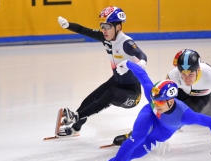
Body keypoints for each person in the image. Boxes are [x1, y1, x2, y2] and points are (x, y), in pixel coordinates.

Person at [71, 60, 211, 161]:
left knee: (134, 154)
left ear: (170, 101)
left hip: (163, 132)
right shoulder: (154, 103)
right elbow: (142, 75)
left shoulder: (185, 115)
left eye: (160, 102)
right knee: (136, 138)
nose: (156, 104)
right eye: (154, 100)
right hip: (148, 116)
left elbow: (210, 122)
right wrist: (126, 63)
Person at [113, 49, 211, 146]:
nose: (187, 78)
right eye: (183, 74)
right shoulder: (173, 75)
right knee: (163, 108)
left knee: (180, 117)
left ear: (198, 70)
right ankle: (134, 134)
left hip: (200, 97)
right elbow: (158, 99)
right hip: (180, 92)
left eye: (190, 74)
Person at [56, 6, 147, 137]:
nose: (103, 30)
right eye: (102, 26)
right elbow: (83, 30)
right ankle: (76, 128)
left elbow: (141, 54)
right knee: (89, 100)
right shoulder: (105, 38)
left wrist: (142, 62)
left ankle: (77, 117)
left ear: (118, 27)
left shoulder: (126, 42)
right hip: (115, 82)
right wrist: (68, 25)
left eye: (107, 26)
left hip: (133, 94)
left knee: (111, 94)